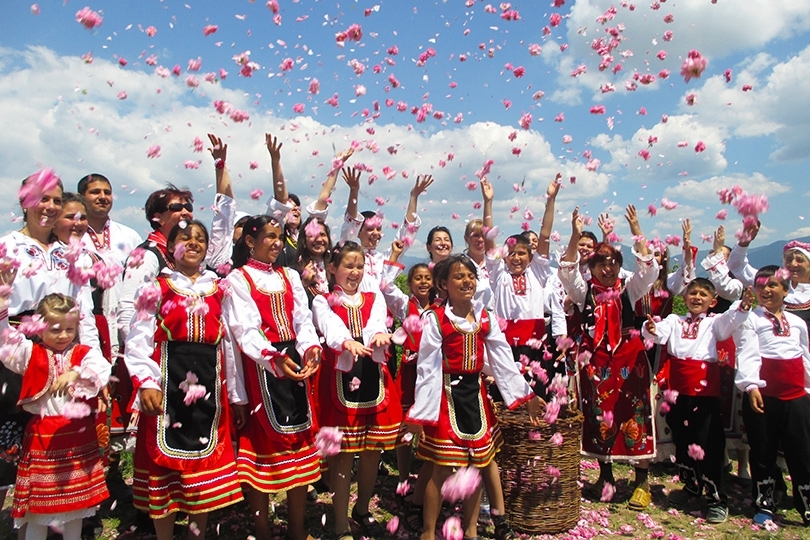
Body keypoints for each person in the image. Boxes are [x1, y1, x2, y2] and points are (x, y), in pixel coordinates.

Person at [405, 254, 543, 540]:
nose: (466, 281)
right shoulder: (435, 318)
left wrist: (527, 394)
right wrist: (420, 413)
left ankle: (470, 531)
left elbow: (503, 359)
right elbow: (427, 368)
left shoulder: (484, 316)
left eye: (470, 276)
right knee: (441, 469)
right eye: (458, 276)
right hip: (446, 396)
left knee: (478, 465)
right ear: (443, 284)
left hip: (476, 397)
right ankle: (428, 532)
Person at [124, 220, 243, 540]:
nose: (193, 243)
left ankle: (196, 535)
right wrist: (146, 383)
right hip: (167, 385)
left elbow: (229, 344)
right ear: (169, 248)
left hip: (210, 388)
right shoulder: (155, 288)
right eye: (184, 238)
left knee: (202, 467)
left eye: (200, 239)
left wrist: (236, 395)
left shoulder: (220, 288)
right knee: (165, 469)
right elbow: (137, 341)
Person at [0, 172, 100, 515]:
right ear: (25, 199)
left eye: (57, 200)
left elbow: (83, 312)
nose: (51, 207)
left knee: (55, 446)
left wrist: (92, 361)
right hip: (16, 352)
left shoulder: (70, 254)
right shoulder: (7, 245)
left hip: (62, 357)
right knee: (5, 449)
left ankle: (56, 522)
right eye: (44, 198)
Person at [224, 215, 323, 540]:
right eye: (270, 236)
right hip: (261, 368)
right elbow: (245, 331)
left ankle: (296, 529)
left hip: (293, 362)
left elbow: (302, 319)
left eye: (280, 236)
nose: (278, 242)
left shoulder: (290, 275)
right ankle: (263, 531)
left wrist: (309, 347)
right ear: (250, 242)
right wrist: (274, 359)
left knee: (299, 447)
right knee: (263, 456)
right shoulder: (239, 279)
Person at [558, 205, 659, 510]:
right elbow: (567, 271)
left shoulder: (629, 289)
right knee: (599, 417)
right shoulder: (583, 291)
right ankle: (607, 477)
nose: (608, 269)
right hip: (597, 363)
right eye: (601, 264)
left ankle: (642, 482)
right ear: (591, 268)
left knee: (635, 415)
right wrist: (576, 236)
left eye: (613, 263)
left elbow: (650, 271)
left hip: (630, 361)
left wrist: (637, 230)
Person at [0, 292, 110, 540]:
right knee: (39, 510)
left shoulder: (83, 354)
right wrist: (3, 305)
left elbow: (101, 368)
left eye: (70, 329)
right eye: (56, 329)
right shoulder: (29, 353)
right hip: (44, 440)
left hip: (76, 441)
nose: (63, 335)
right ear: (39, 328)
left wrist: (75, 373)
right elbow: (5, 343)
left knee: (75, 509)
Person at [642, 278, 753, 524]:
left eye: (703, 294)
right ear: (684, 298)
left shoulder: (714, 323)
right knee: (683, 440)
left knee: (708, 442)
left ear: (712, 302)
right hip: (677, 390)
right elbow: (659, 335)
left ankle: (715, 498)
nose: (697, 297)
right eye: (693, 293)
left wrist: (742, 306)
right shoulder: (674, 320)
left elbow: (729, 323)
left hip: (705, 392)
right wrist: (651, 328)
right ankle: (691, 485)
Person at [311, 242, 402, 540]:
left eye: (360, 266)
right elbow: (329, 326)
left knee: (372, 449)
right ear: (333, 268)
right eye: (349, 266)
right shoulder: (322, 301)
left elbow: (376, 323)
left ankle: (361, 508)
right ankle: (340, 522)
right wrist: (345, 341)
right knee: (344, 455)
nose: (355, 272)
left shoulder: (373, 298)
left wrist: (377, 335)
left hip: (372, 377)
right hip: (339, 378)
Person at [118, 133, 235, 340]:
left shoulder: (193, 255)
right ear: (157, 218)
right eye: (176, 207)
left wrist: (220, 167)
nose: (185, 212)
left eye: (188, 206)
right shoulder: (147, 255)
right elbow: (129, 308)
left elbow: (224, 219)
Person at [734, 265, 810, 526]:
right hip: (762, 397)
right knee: (763, 451)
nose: (766, 290)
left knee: (801, 452)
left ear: (786, 290)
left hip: (796, 397)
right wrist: (752, 386)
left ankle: (806, 504)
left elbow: (805, 358)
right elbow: (747, 353)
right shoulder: (751, 319)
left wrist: (808, 390)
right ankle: (764, 503)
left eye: (772, 285)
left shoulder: (798, 323)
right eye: (760, 285)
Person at [481, 176, 567, 400]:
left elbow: (545, 235)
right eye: (512, 253)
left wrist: (550, 199)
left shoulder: (537, 273)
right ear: (504, 256)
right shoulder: (498, 274)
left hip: (536, 345)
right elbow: (489, 237)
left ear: (530, 256)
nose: (516, 257)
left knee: (538, 397)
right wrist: (487, 202)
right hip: (505, 346)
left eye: (522, 253)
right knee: (505, 398)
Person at [264, 133, 354, 267]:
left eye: (297, 207)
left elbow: (323, 201)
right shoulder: (278, 235)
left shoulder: (307, 236)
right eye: (288, 207)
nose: (294, 209)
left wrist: (336, 167)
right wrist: (275, 161)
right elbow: (280, 198)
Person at [339, 168, 432, 293]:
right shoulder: (350, 254)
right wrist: (354, 191)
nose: (376, 233)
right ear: (358, 232)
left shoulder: (384, 257)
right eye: (370, 229)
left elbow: (406, 235)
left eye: (379, 229)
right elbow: (350, 225)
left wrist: (414, 196)